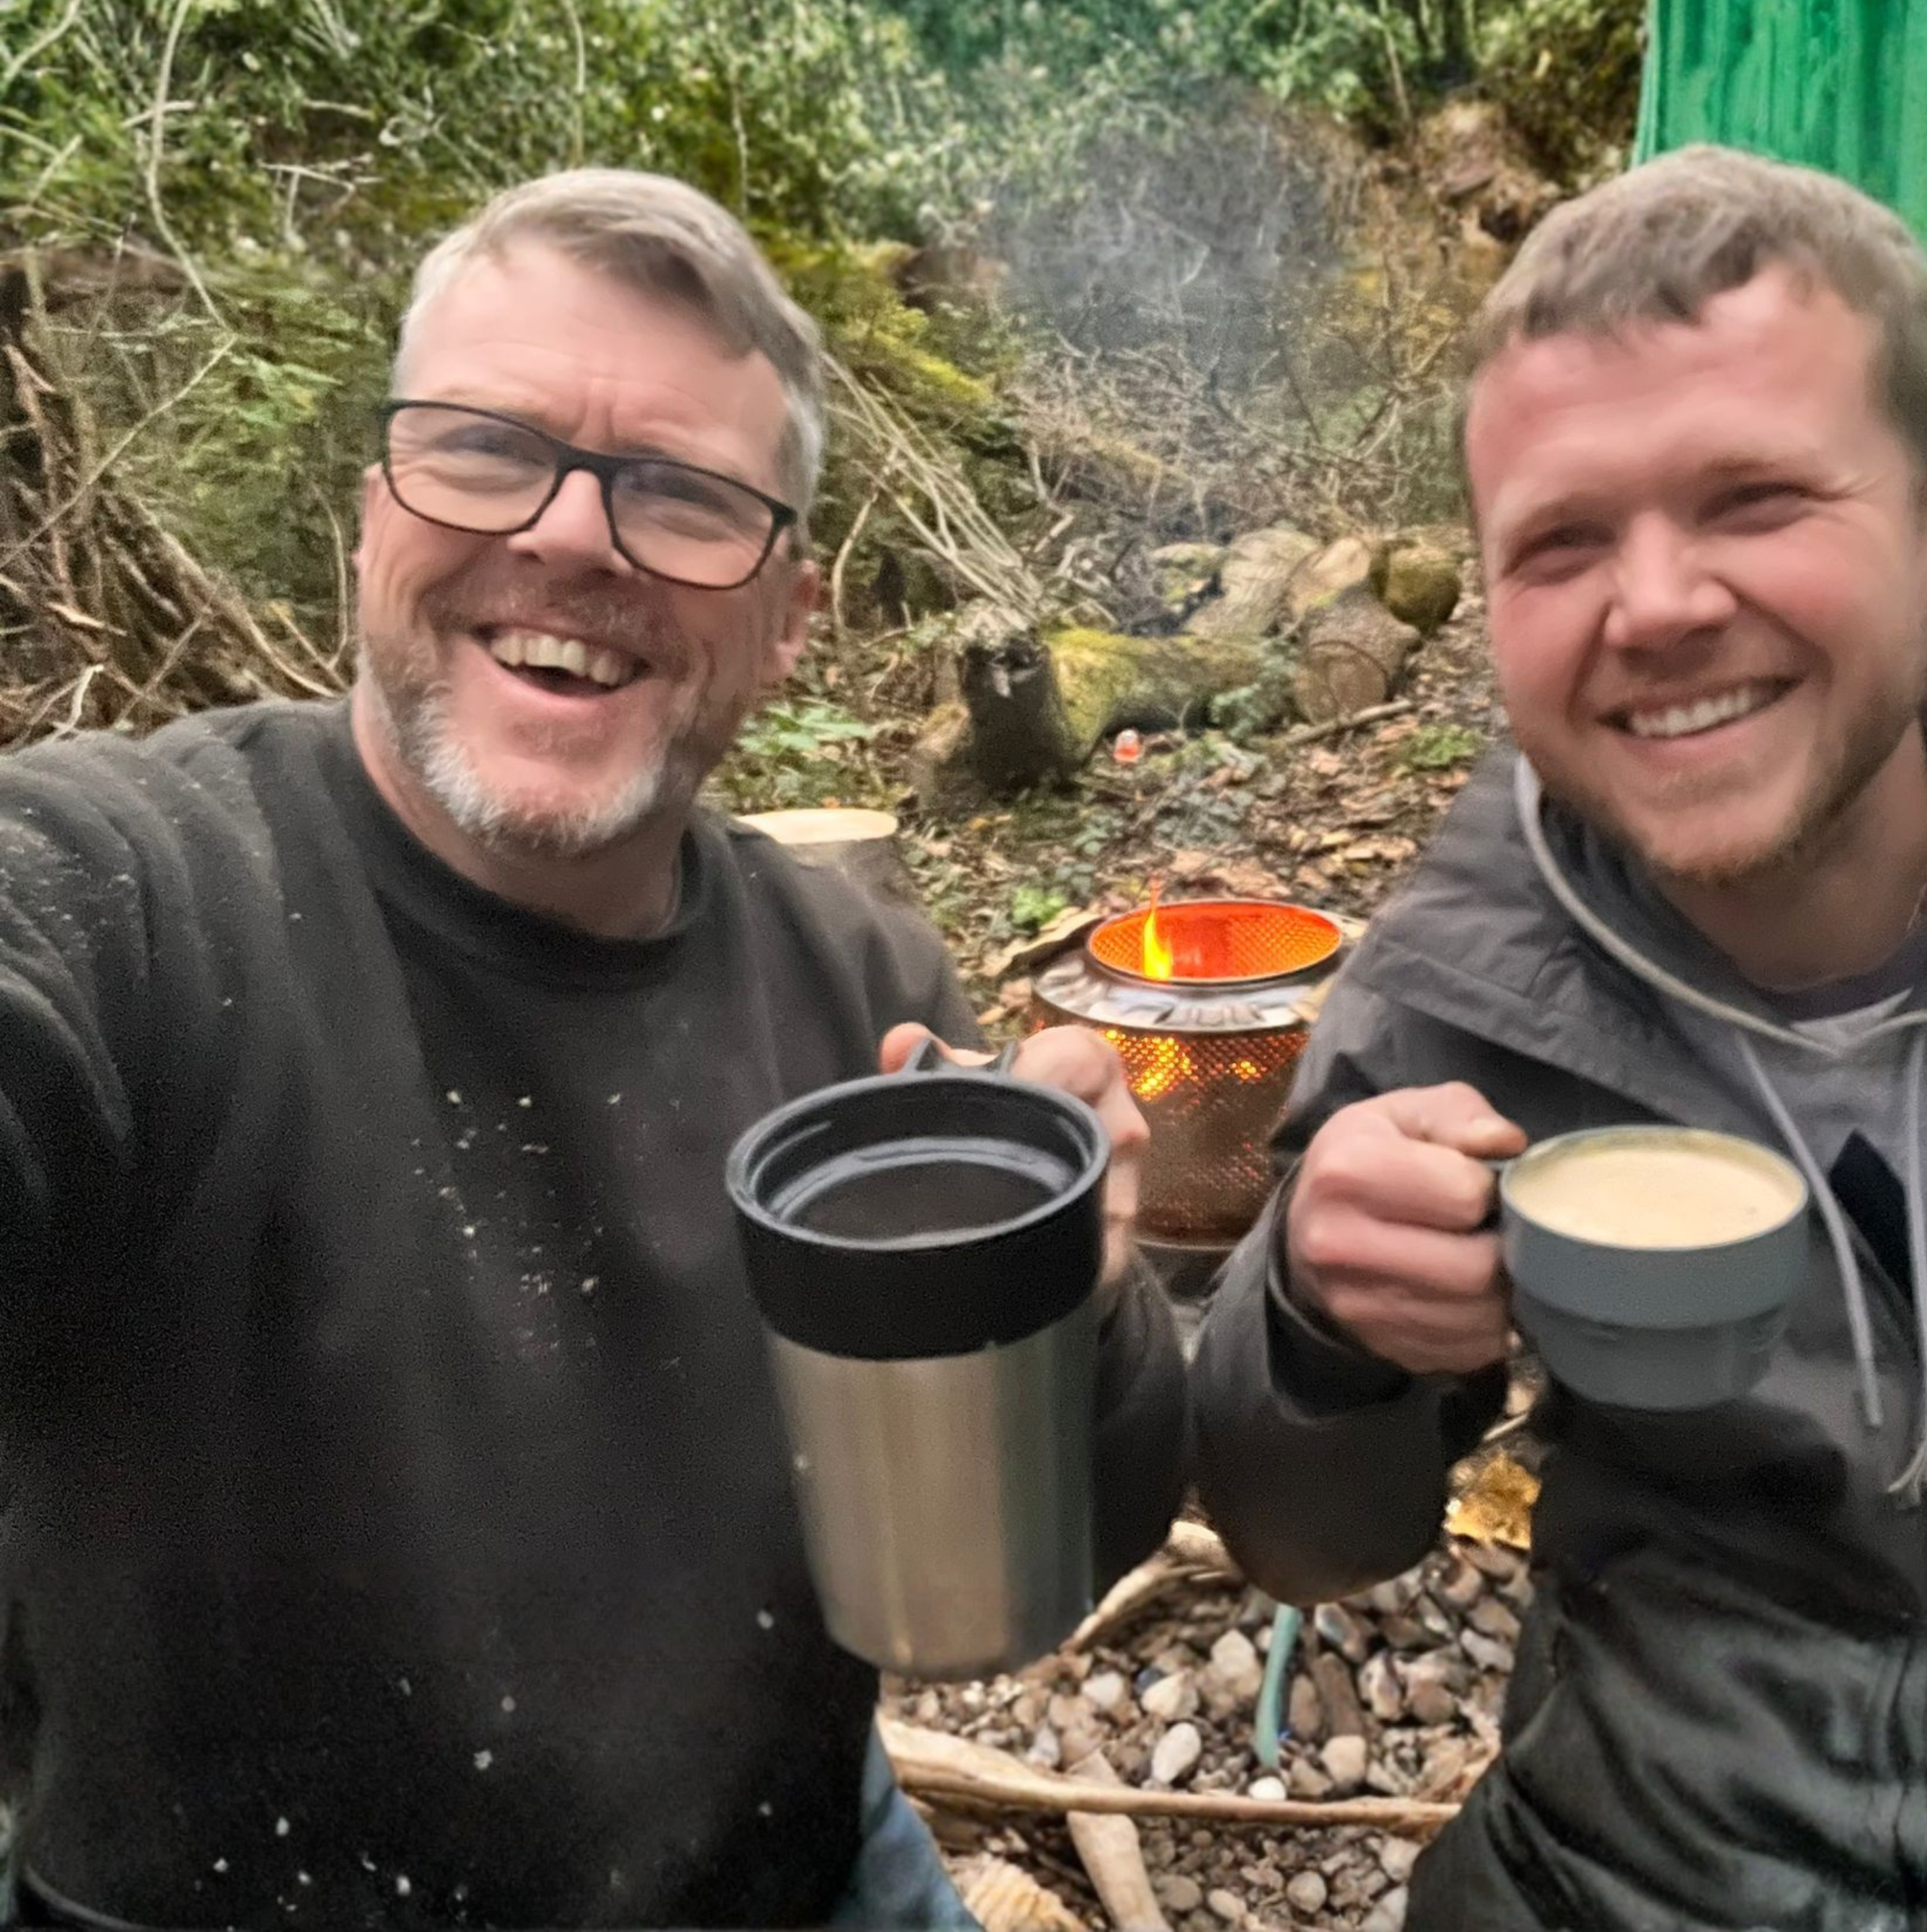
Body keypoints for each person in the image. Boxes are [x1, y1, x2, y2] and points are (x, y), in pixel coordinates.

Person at [1190, 144, 1927, 1930]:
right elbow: (1310, 1539)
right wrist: (1312, 1323)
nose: (1658, 602)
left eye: (1754, 499)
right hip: (1624, 1873)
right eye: (1563, 542)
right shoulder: (1472, 971)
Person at [0, 169, 1188, 1930]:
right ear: (372, 516)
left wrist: (1072, 1312)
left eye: (685, 495)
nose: (572, 537)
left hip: (804, 1861)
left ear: (789, 615)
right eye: (487, 447)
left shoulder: (854, 979)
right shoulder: (147, 897)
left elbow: (1082, 1515)